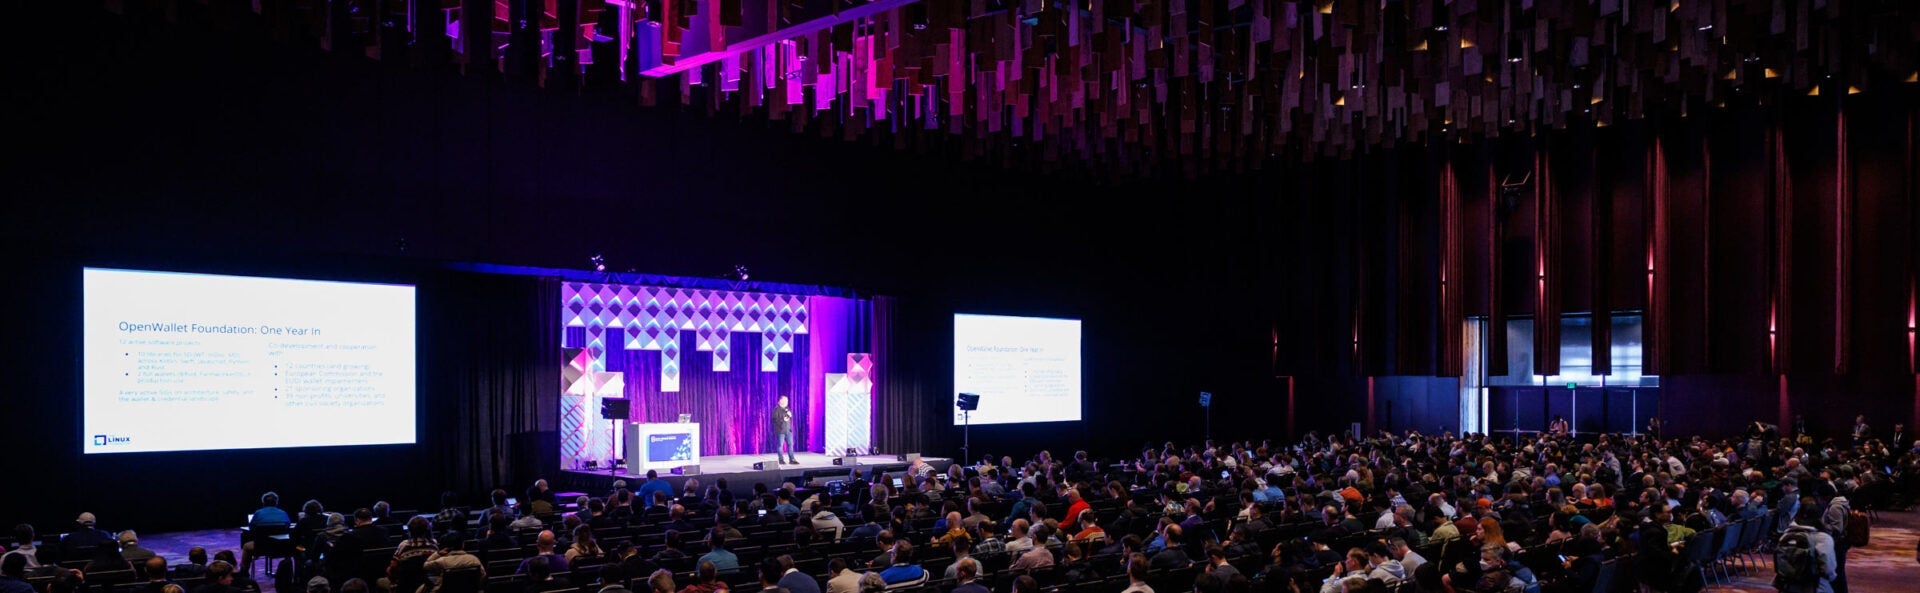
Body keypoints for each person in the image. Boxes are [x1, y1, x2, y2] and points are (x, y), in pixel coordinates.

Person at [1776, 505, 1838, 593]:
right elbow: (1828, 569)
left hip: (1787, 586)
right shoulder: (1823, 538)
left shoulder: (1785, 535)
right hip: (1814, 586)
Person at [773, 395, 797, 465]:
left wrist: (790, 415)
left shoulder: (787, 409)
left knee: (790, 444)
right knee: (780, 445)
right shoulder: (776, 409)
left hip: (788, 430)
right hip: (780, 431)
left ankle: (792, 459)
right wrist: (782, 420)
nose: (787, 402)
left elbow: (789, 418)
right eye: (785, 400)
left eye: (787, 400)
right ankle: (781, 459)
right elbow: (774, 420)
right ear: (780, 401)